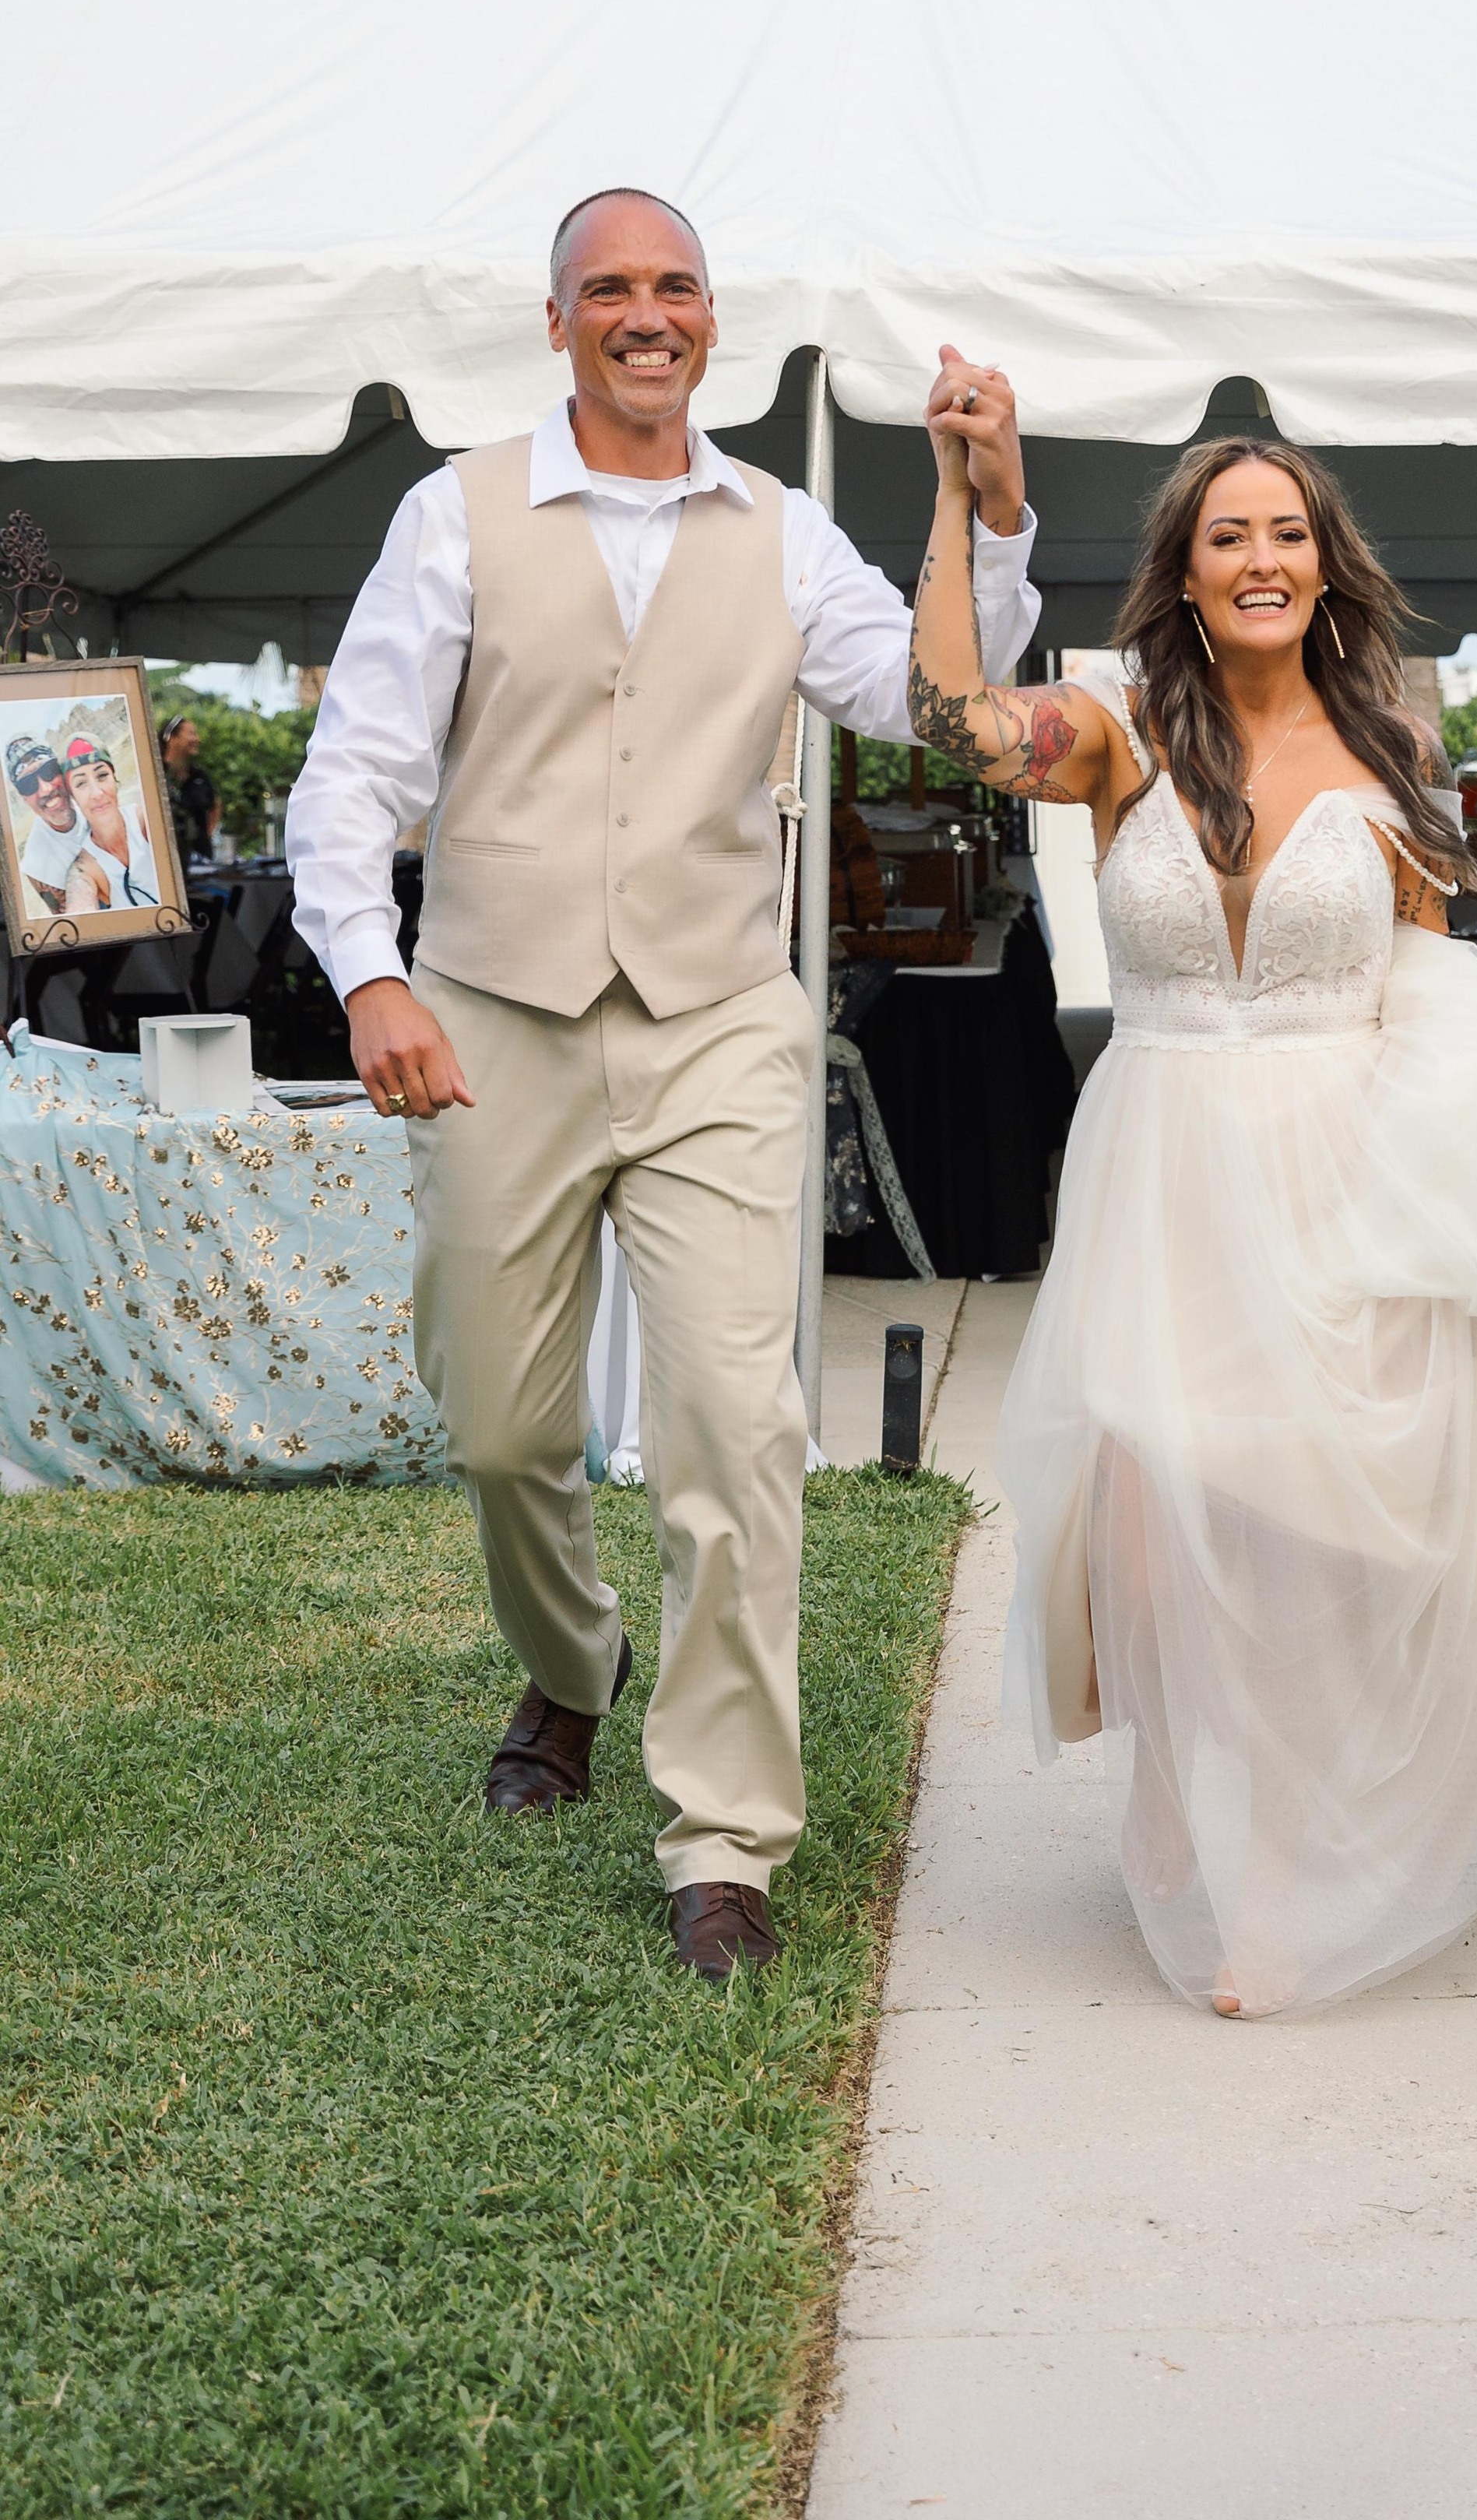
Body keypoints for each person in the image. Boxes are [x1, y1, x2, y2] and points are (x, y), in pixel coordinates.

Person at [909, 373, 1477, 2021]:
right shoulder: (1116, 739)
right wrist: (963, 495)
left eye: (1287, 531)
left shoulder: (1390, 746)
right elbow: (944, 719)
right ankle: (1199, 1826)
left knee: (1300, 1537)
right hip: (1160, 1174)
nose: (1262, 557)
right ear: (1186, 573)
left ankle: (1280, 1872)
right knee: (1150, 1525)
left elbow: (1430, 984)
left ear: (1325, 566)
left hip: (1340, 1166)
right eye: (1229, 536)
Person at [288, 190, 1040, 1982]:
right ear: (558, 322)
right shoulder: (454, 510)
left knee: (731, 1425)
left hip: (715, 1016)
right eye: (610, 289)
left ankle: (723, 1834)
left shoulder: (780, 535)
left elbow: (945, 708)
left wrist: (988, 514)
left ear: (711, 321)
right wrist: (371, 969)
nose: (647, 313)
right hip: (494, 1012)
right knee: (497, 1421)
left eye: (675, 287)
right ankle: (569, 1661)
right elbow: (353, 770)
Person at [61, 741, 160, 913]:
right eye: (81, 784)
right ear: (73, 798)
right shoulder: (86, 867)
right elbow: (80, 909)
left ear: (115, 779)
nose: (97, 793)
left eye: (102, 775)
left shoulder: (147, 821)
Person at [7, 739, 93, 914]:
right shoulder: (37, 867)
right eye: (28, 785)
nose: (45, 789)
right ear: (23, 798)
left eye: (48, 771)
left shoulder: (95, 798)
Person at [159, 715, 217, 866]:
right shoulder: (155, 774)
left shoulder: (199, 776)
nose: (197, 739)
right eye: (191, 734)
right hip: (166, 860)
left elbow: (215, 805)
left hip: (199, 860)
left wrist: (206, 834)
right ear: (172, 738)